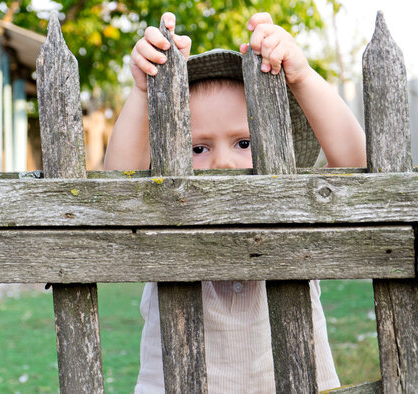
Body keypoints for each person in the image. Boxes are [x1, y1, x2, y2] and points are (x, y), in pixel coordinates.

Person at [104, 11, 366, 393]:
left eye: (244, 143)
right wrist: (145, 94)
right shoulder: (163, 216)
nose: (223, 162)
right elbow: (117, 189)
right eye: (197, 148)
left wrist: (303, 77)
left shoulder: (294, 206)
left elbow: (357, 170)